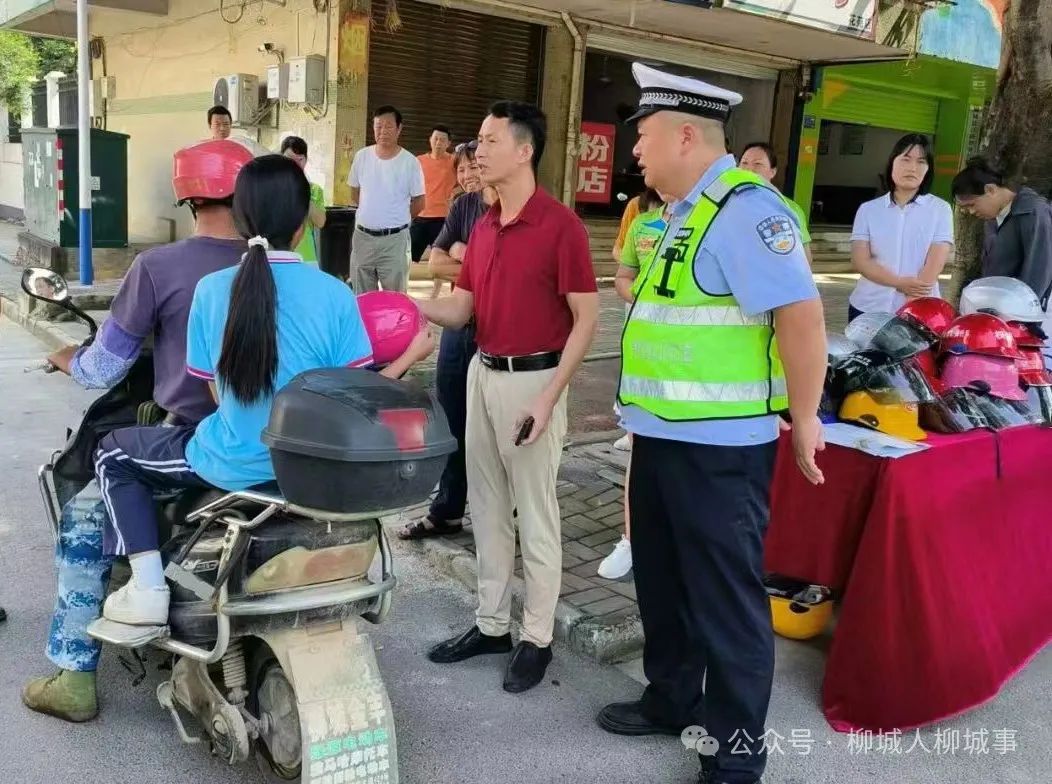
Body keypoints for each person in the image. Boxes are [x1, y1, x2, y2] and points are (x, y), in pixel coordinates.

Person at [596, 64, 827, 784]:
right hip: (663, 437)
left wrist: (806, 416)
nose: (636, 150)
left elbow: (801, 318)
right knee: (662, 581)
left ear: (686, 137)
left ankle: (736, 752)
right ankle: (672, 697)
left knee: (725, 601)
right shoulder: (681, 213)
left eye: (645, 136)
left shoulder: (748, 212)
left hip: (722, 449)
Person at [89, 155, 434, 628]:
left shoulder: (212, 290)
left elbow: (216, 397)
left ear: (241, 220)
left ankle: (148, 588)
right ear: (302, 225)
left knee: (111, 453)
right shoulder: (335, 294)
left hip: (233, 464)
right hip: (311, 470)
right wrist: (411, 355)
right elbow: (357, 397)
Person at [22, 139, 255, 723]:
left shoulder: (158, 266)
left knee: (85, 515)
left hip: (193, 443)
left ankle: (75, 676)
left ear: (187, 196)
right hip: (277, 441)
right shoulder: (279, 267)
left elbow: (103, 368)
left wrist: (68, 359)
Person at [418, 101, 599, 693]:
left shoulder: (560, 226)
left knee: (535, 514)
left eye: (490, 140)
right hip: (483, 372)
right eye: (479, 138)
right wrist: (405, 308)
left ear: (524, 151)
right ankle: (491, 623)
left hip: (532, 383)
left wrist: (549, 397)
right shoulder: (483, 225)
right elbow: (462, 309)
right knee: (488, 508)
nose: (479, 150)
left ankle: (537, 638)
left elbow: (587, 320)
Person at [399, 141, 497, 541]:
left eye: (474, 166)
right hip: (460, 325)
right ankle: (447, 511)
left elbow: (501, 269)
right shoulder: (462, 207)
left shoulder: (511, 208)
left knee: (495, 425)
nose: (468, 175)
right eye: (462, 169)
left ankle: (502, 514)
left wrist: (461, 251)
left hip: (498, 330)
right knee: (451, 419)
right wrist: (469, 258)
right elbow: (435, 262)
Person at [598, 187, 668, 580]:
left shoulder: (724, 219)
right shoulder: (643, 222)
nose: (639, 158)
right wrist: (643, 297)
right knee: (641, 448)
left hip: (698, 380)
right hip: (646, 355)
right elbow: (623, 275)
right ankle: (632, 539)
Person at [848, 134, 954, 323]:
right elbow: (860, 260)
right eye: (905, 159)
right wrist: (899, 283)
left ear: (928, 169)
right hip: (868, 307)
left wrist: (912, 301)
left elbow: (936, 260)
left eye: (921, 162)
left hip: (919, 311)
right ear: (892, 163)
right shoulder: (868, 210)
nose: (912, 168)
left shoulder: (940, 209)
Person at [951, 157, 1052, 314]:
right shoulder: (993, 217)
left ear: (990, 190)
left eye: (972, 204)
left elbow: (1039, 271)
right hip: (996, 311)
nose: (971, 212)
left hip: (1020, 315)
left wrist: (1021, 315)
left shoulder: (1033, 212)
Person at [348, 105, 425, 293]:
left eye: (388, 126)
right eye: (378, 126)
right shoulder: (362, 156)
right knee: (362, 297)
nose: (383, 131)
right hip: (363, 238)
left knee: (395, 298)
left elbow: (419, 202)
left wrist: (396, 218)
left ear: (399, 129)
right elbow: (354, 192)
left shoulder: (410, 162)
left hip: (395, 241)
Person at [738, 141, 813, 264]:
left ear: (773, 172)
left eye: (758, 164)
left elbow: (805, 259)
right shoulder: (727, 203)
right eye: (744, 163)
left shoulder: (789, 208)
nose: (749, 169)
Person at [411, 125, 457, 264]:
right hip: (420, 216)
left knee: (441, 259)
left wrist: (455, 192)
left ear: (448, 143)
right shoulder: (419, 161)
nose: (438, 143)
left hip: (443, 219)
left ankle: (438, 281)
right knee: (409, 257)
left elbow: (465, 179)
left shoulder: (454, 161)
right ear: (430, 139)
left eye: (442, 140)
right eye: (436, 139)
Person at [280, 135, 327, 266]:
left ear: (306, 161)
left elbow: (320, 222)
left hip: (306, 258)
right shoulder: (272, 186)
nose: (295, 164)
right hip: (277, 256)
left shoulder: (314, 190)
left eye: (300, 159)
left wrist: (302, 193)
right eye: (290, 159)